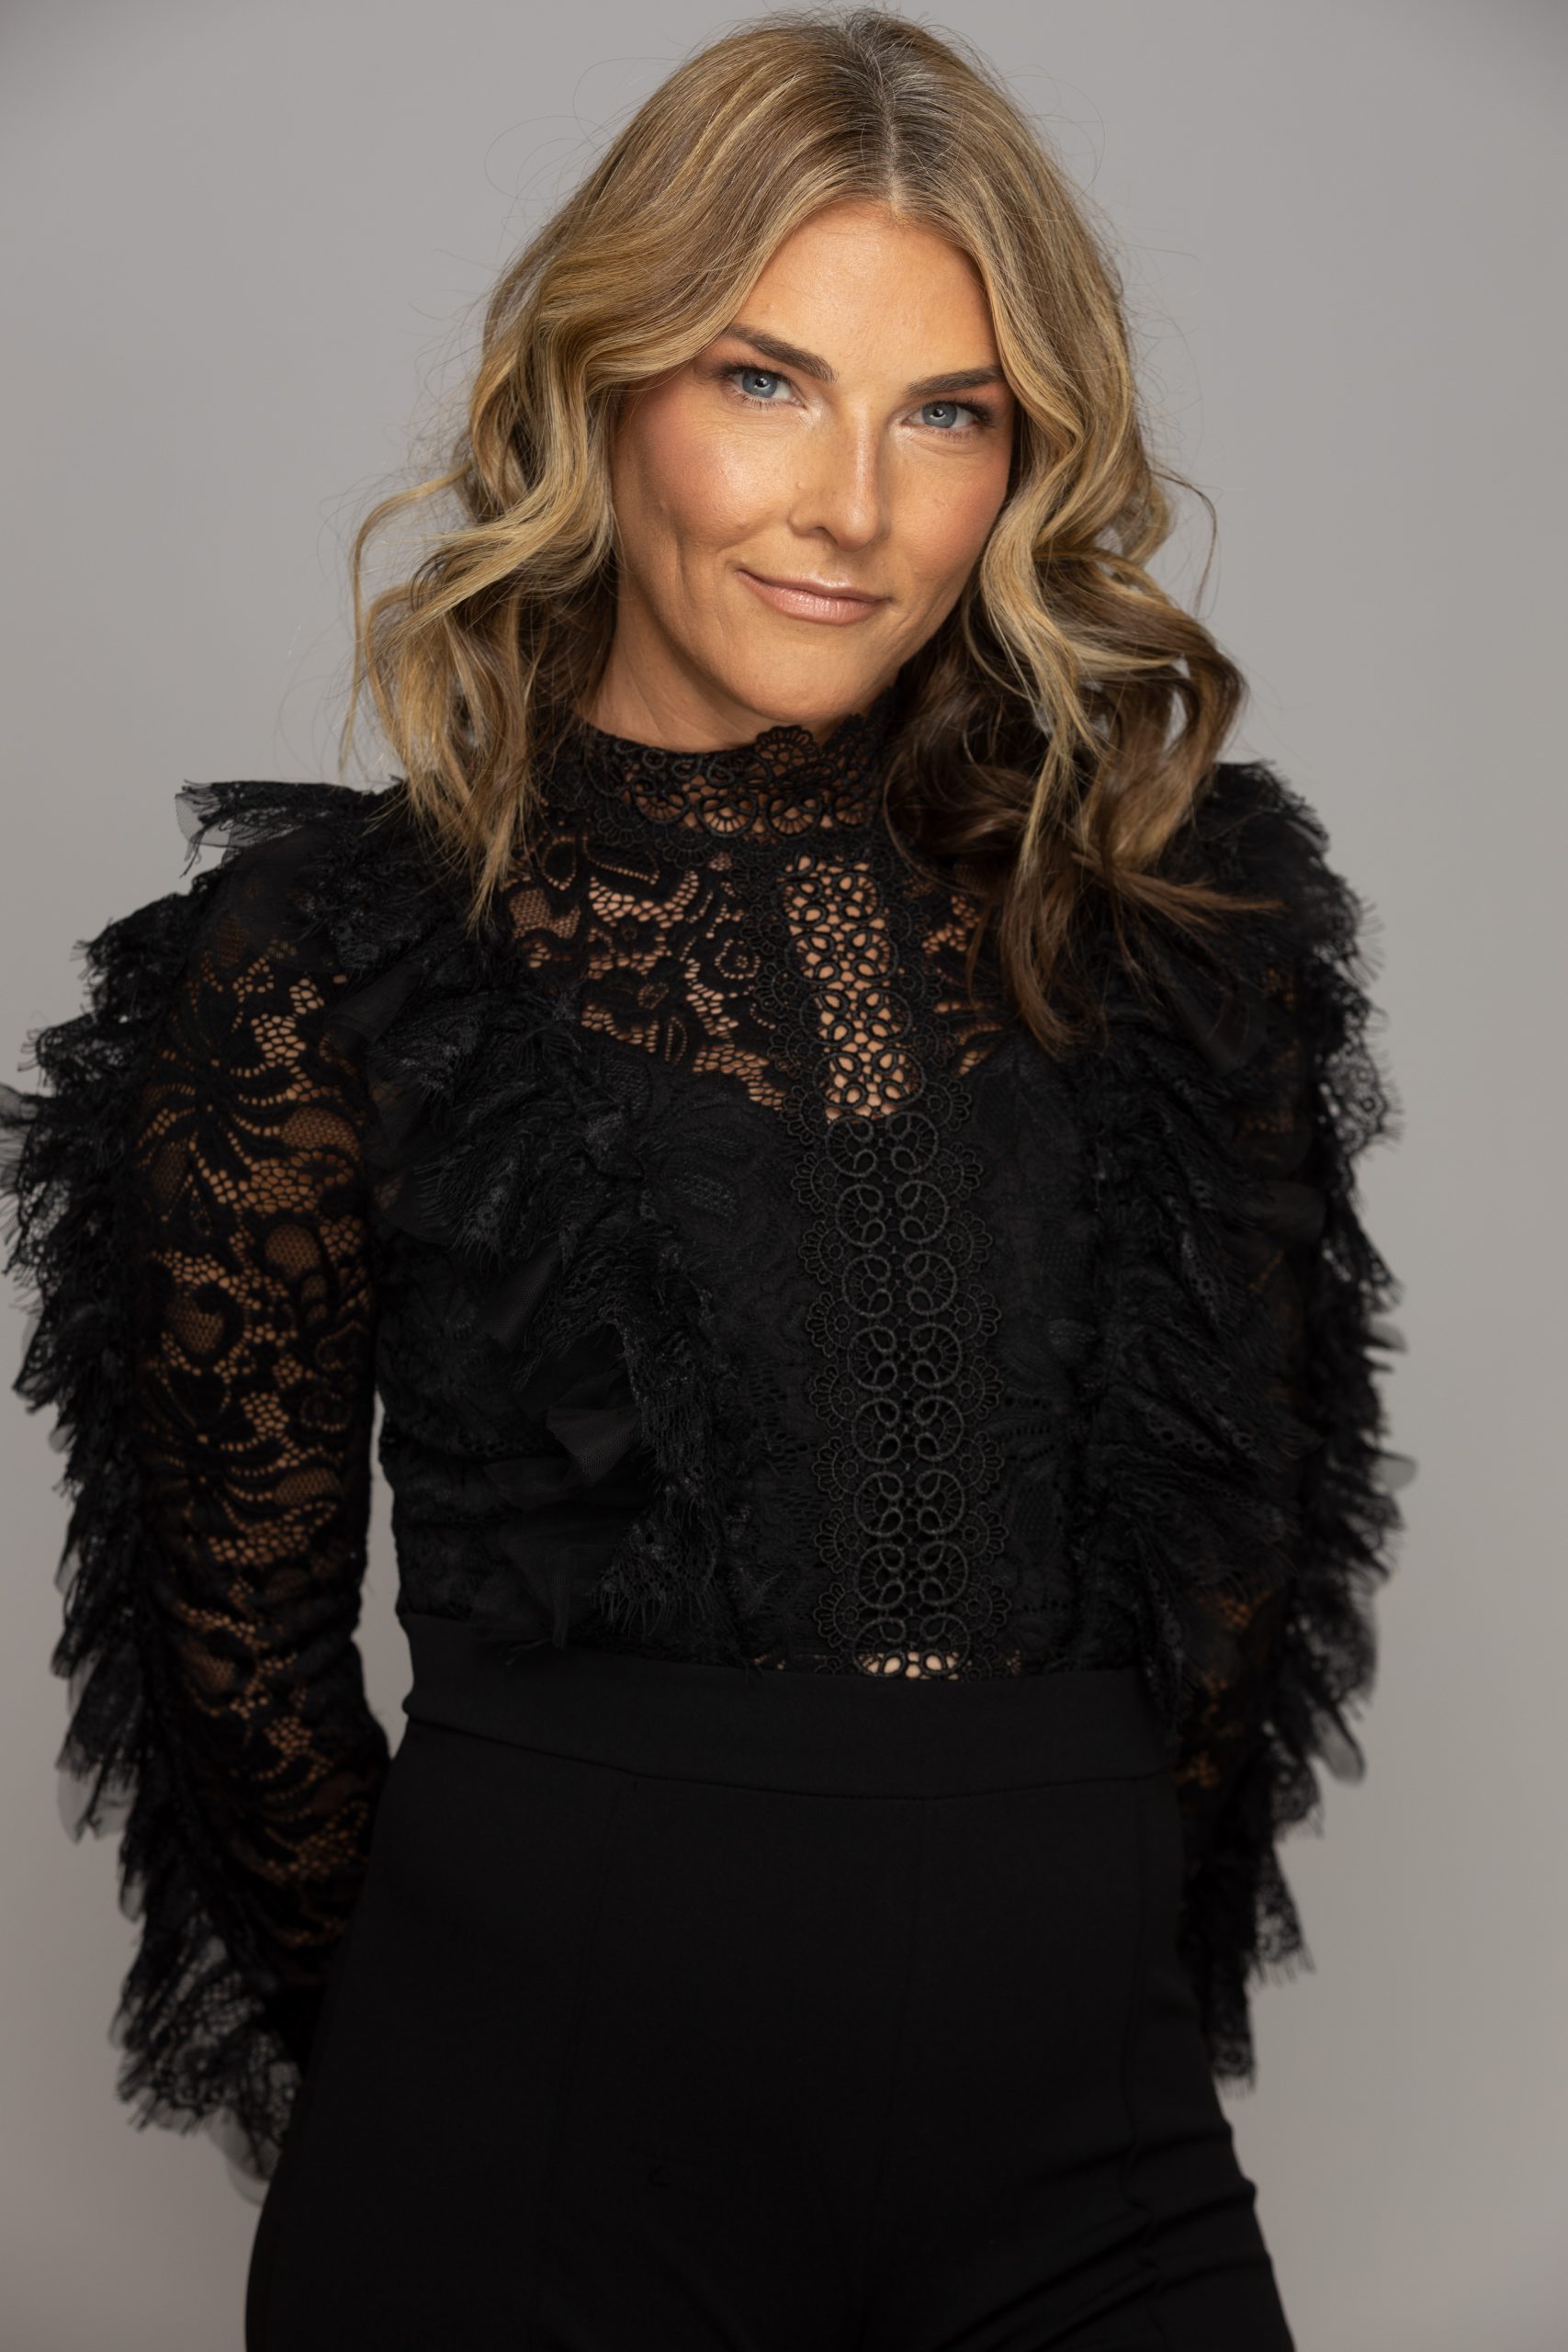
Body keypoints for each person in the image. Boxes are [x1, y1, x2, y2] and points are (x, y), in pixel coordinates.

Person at [0, 11, 1405, 2348]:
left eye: (944, 412)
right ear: (604, 384)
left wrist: (1025, 1932)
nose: (852, 503)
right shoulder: (335, 958)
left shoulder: (1176, 927)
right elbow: (236, 1680)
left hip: (1080, 2141)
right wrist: (488, 2029)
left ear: (1020, 459)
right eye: (765, 381)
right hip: (520, 2144)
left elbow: (1231, 1583)